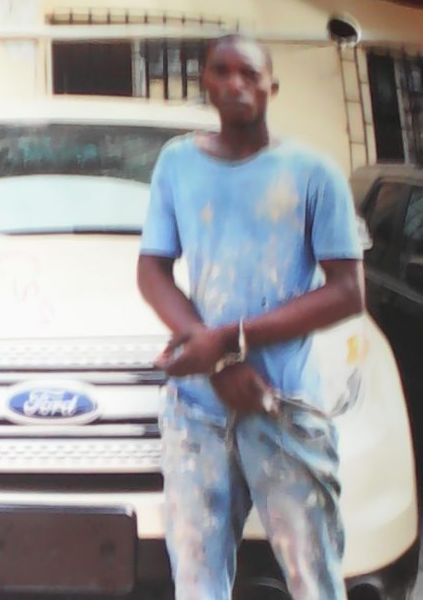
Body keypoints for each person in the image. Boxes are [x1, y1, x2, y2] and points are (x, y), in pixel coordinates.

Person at [137, 33, 364, 600]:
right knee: (196, 582)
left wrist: (228, 341)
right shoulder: (177, 164)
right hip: (197, 414)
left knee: (314, 580)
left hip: (283, 406)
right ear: (205, 83)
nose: (235, 83)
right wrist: (215, 357)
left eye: (249, 73)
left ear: (272, 87)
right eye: (222, 71)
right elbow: (152, 271)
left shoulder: (314, 172)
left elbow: (347, 292)